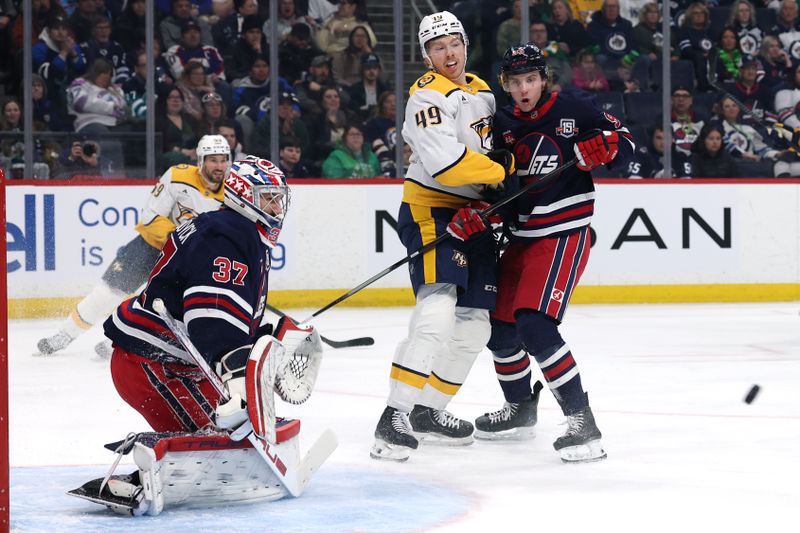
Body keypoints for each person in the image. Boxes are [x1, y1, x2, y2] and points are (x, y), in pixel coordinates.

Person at [470, 44, 635, 463]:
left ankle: (582, 421)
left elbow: (628, 145)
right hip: (523, 236)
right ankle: (520, 408)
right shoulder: (502, 123)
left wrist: (607, 146)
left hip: (563, 233)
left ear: (544, 79)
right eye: (515, 82)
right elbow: (499, 183)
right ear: (505, 85)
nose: (524, 89)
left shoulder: (576, 107)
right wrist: (483, 212)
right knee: (500, 326)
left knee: (535, 325)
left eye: (531, 80)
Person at [370, 11, 512, 462]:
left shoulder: (484, 93)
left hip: (476, 215)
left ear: (466, 45)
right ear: (426, 55)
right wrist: (504, 173)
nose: (448, 54)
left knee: (475, 326)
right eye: (438, 47)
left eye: (454, 44)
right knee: (436, 311)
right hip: (433, 211)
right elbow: (446, 163)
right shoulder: (427, 97)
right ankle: (393, 415)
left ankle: (428, 410)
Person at [36, 135, 231, 356]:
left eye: (223, 160)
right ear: (201, 160)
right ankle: (65, 334)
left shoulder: (231, 192)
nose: (219, 166)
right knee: (106, 294)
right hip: (151, 246)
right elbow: (151, 216)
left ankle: (120, 343)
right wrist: (179, 240)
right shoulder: (178, 176)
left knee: (164, 307)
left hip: (187, 259)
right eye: (213, 160)